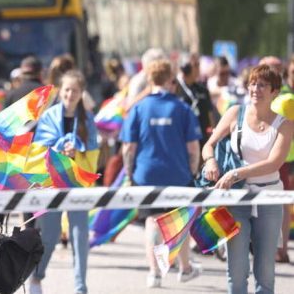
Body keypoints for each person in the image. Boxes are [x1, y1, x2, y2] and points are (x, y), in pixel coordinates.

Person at [202, 64, 293, 294]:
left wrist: (236, 173)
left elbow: (274, 163)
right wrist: (210, 161)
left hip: (268, 201)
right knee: (237, 271)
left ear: (275, 92)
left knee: (265, 274)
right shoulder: (235, 113)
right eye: (252, 83)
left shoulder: (285, 125)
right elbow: (209, 145)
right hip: (236, 200)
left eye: (262, 85)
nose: (255, 89)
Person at [120, 59, 202, 288]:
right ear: (169, 80)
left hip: (146, 175)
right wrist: (192, 172)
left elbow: (128, 148)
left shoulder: (138, 108)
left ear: (150, 80)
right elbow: (193, 148)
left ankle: (154, 273)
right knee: (180, 220)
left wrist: (129, 174)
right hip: (178, 174)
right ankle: (184, 268)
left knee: (152, 221)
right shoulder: (183, 109)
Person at [30, 70, 99, 294]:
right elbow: (38, 151)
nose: (70, 94)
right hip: (53, 185)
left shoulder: (88, 120)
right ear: (61, 91)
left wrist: (78, 151)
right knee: (49, 238)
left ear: (81, 93)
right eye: (67, 90)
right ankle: (37, 276)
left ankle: (81, 288)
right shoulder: (49, 116)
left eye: (75, 90)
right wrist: (59, 148)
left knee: (80, 238)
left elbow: (94, 156)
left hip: (78, 187)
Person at [260, 55, 292, 264]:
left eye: (278, 68)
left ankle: (280, 248)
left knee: (282, 203)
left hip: (285, 159)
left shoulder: (287, 97)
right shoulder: (259, 94)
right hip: (262, 158)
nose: (275, 72)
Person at [175, 53, 215, 150]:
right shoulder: (176, 88)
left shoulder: (202, 89)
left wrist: (212, 136)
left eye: (198, 64)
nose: (198, 68)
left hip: (202, 138)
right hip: (183, 138)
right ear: (185, 68)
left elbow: (210, 115)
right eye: (195, 65)